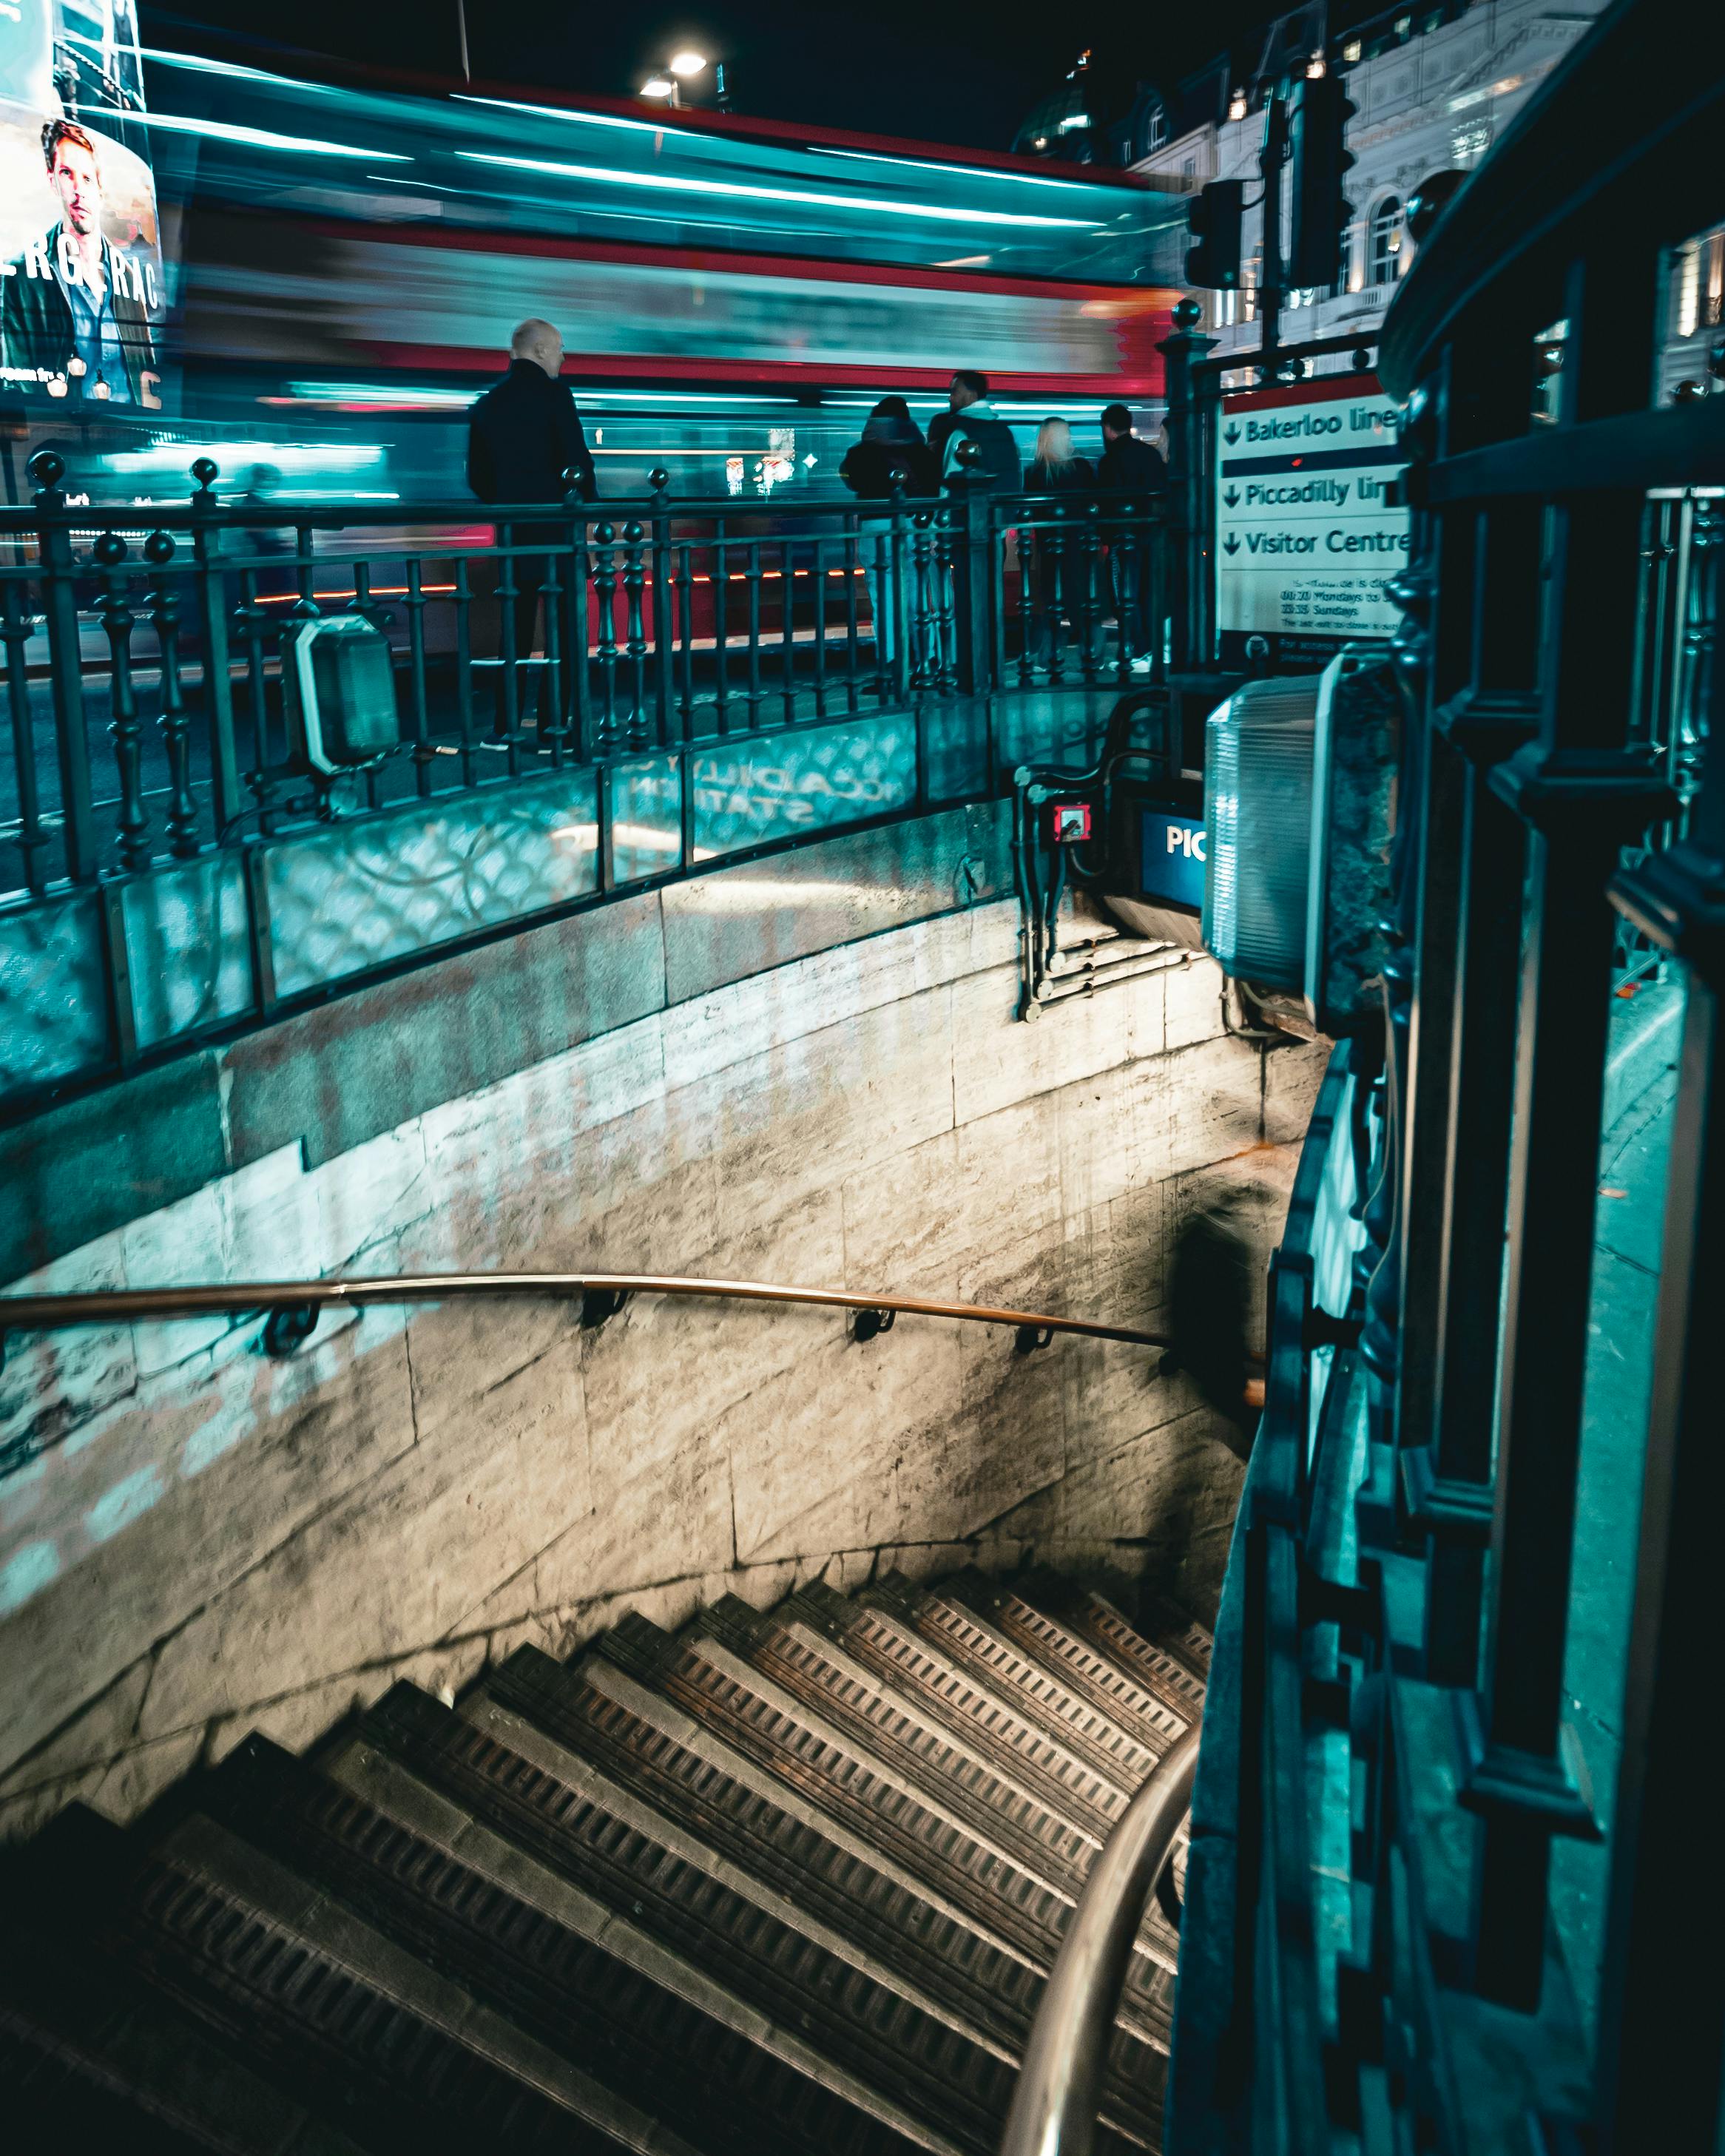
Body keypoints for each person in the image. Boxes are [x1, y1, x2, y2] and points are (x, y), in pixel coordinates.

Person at [466, 318, 597, 728]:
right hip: (558, 538)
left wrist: (510, 505)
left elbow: (478, 479)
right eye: (559, 348)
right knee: (563, 636)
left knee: (514, 635)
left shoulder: (488, 404)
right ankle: (551, 724)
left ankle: (505, 726)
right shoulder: (556, 396)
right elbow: (577, 463)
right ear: (540, 351)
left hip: (513, 538)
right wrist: (585, 500)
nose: (563, 357)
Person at [1, 120, 158, 405]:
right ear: (53, 182)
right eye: (66, 173)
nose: (77, 190)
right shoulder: (21, 277)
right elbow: (17, 388)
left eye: (86, 178)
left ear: (99, 187)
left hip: (130, 433)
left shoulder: (128, 278)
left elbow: (147, 372)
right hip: (63, 436)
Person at [1097, 403, 1167, 669]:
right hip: (1150, 535)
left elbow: (1105, 503)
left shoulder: (1109, 461)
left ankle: (1135, 648)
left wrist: (1105, 538)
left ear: (1107, 428)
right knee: (1147, 592)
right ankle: (1148, 646)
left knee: (1124, 595)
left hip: (1122, 538)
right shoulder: (1150, 455)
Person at [1025, 418, 1095, 666]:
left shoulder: (1034, 473)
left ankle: (1049, 653)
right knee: (1081, 598)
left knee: (1050, 600)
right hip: (1078, 543)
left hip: (1048, 544)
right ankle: (1090, 654)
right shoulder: (1081, 468)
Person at [929, 370, 1022, 490]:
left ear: (971, 396)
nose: (950, 398)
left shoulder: (960, 431)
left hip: (971, 506)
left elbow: (950, 479)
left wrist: (942, 508)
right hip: (1003, 506)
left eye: (954, 391)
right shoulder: (1005, 431)